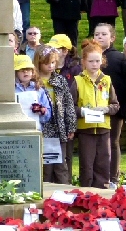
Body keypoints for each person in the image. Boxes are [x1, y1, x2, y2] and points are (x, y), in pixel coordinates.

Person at [71, 40, 120, 189]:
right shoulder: (77, 81)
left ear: (102, 61)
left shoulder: (106, 80)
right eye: (91, 61)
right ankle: (86, 194)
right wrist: (83, 111)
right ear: (84, 62)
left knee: (103, 163)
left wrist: (106, 109)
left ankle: (102, 193)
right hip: (86, 130)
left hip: (104, 129)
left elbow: (115, 105)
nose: (94, 64)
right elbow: (70, 107)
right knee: (87, 165)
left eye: (97, 61)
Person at [94, 24, 126, 187]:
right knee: (96, 142)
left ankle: (113, 176)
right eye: (97, 34)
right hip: (93, 109)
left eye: (104, 34)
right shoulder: (88, 57)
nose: (100, 37)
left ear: (112, 38)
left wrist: (121, 104)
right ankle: (97, 175)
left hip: (114, 109)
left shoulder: (119, 58)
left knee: (112, 141)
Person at [36, 45, 76, 184]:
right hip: (42, 128)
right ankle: (46, 192)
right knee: (46, 165)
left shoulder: (60, 80)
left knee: (61, 164)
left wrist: (71, 125)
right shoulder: (34, 82)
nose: (50, 66)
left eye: (53, 63)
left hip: (59, 128)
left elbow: (68, 104)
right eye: (47, 63)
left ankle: (63, 192)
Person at [48, 34, 80, 177]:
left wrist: (71, 123)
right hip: (49, 123)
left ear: (65, 51)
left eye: (57, 48)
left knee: (65, 160)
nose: (53, 51)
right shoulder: (49, 69)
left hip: (67, 120)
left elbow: (71, 99)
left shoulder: (75, 69)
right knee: (48, 161)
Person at [14, 54, 51, 130]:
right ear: (16, 73)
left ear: (33, 71)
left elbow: (48, 116)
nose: (25, 71)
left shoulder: (39, 90)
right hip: (16, 130)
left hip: (35, 130)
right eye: (21, 69)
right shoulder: (11, 90)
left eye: (28, 68)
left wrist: (43, 111)